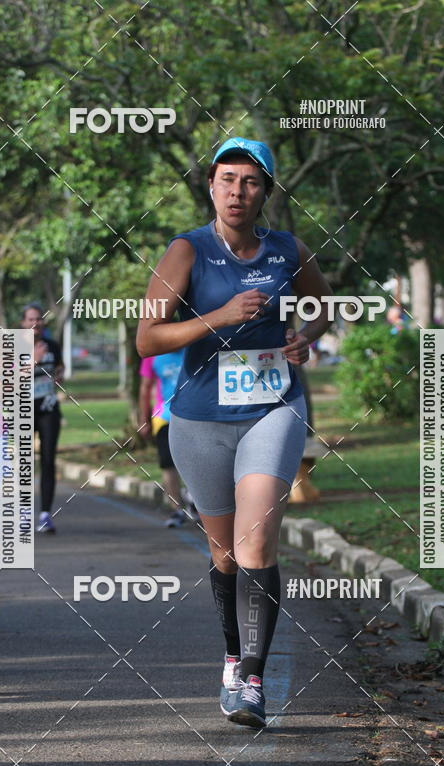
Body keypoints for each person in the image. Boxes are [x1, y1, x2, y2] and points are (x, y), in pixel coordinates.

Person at [137, 137, 332, 727]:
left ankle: (252, 678)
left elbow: (322, 304)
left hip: (274, 407)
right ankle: (231, 656)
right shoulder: (187, 252)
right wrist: (216, 318)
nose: (236, 191)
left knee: (256, 544)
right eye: (226, 180)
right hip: (199, 419)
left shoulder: (287, 249)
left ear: (266, 190)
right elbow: (147, 339)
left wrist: (307, 336)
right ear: (212, 187)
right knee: (224, 554)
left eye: (249, 181)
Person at [138, 350, 196, 527]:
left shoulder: (192, 347)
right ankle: (176, 509)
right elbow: (145, 387)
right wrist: (144, 419)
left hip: (195, 414)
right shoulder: (153, 353)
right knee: (167, 462)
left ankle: (194, 499)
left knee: (196, 460)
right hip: (164, 416)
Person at [21, 303, 63, 534]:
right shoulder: (15, 347)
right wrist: (33, 361)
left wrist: (58, 377)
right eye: (30, 319)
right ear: (23, 323)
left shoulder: (53, 346)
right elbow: (7, 379)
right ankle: (24, 515)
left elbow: (59, 368)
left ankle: (45, 515)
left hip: (48, 409)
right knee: (25, 464)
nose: (35, 323)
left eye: (39, 319)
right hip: (23, 410)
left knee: (48, 461)